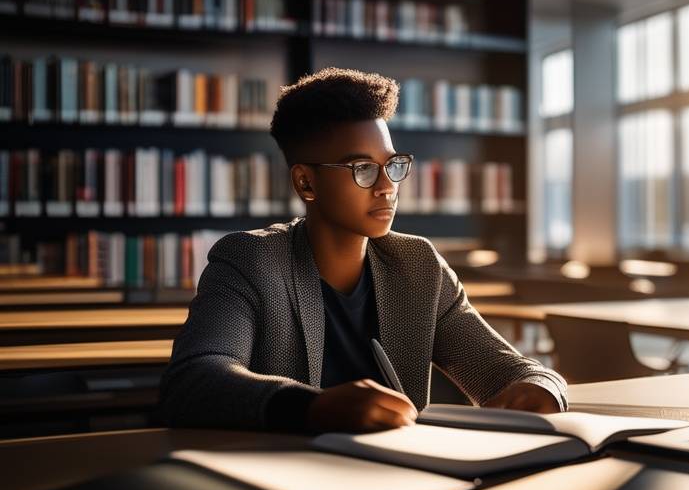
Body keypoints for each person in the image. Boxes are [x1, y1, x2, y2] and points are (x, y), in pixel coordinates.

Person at [159, 67, 566, 433]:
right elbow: (194, 380)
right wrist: (314, 407)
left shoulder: (418, 265)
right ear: (306, 184)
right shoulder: (250, 261)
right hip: (285, 479)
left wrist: (540, 387)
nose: (387, 186)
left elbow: (509, 371)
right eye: (362, 169)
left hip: (403, 478)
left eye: (392, 165)